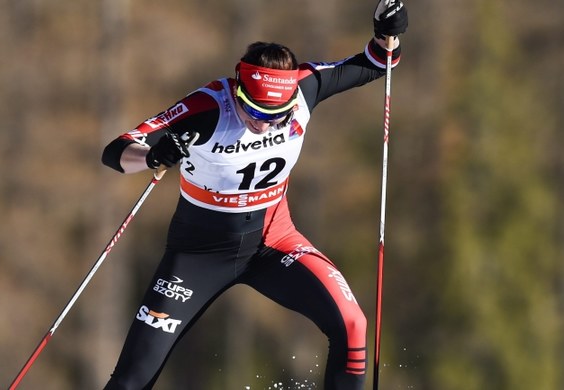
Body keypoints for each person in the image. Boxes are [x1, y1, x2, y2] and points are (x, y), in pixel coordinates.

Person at [100, 1, 407, 388]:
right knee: (132, 379)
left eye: (277, 116)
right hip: (198, 255)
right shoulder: (207, 108)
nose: (264, 125)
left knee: (352, 324)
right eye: (255, 113)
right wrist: (152, 156)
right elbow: (116, 152)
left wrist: (388, 30)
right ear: (238, 91)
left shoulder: (305, 87)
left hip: (273, 242)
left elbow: (377, 61)